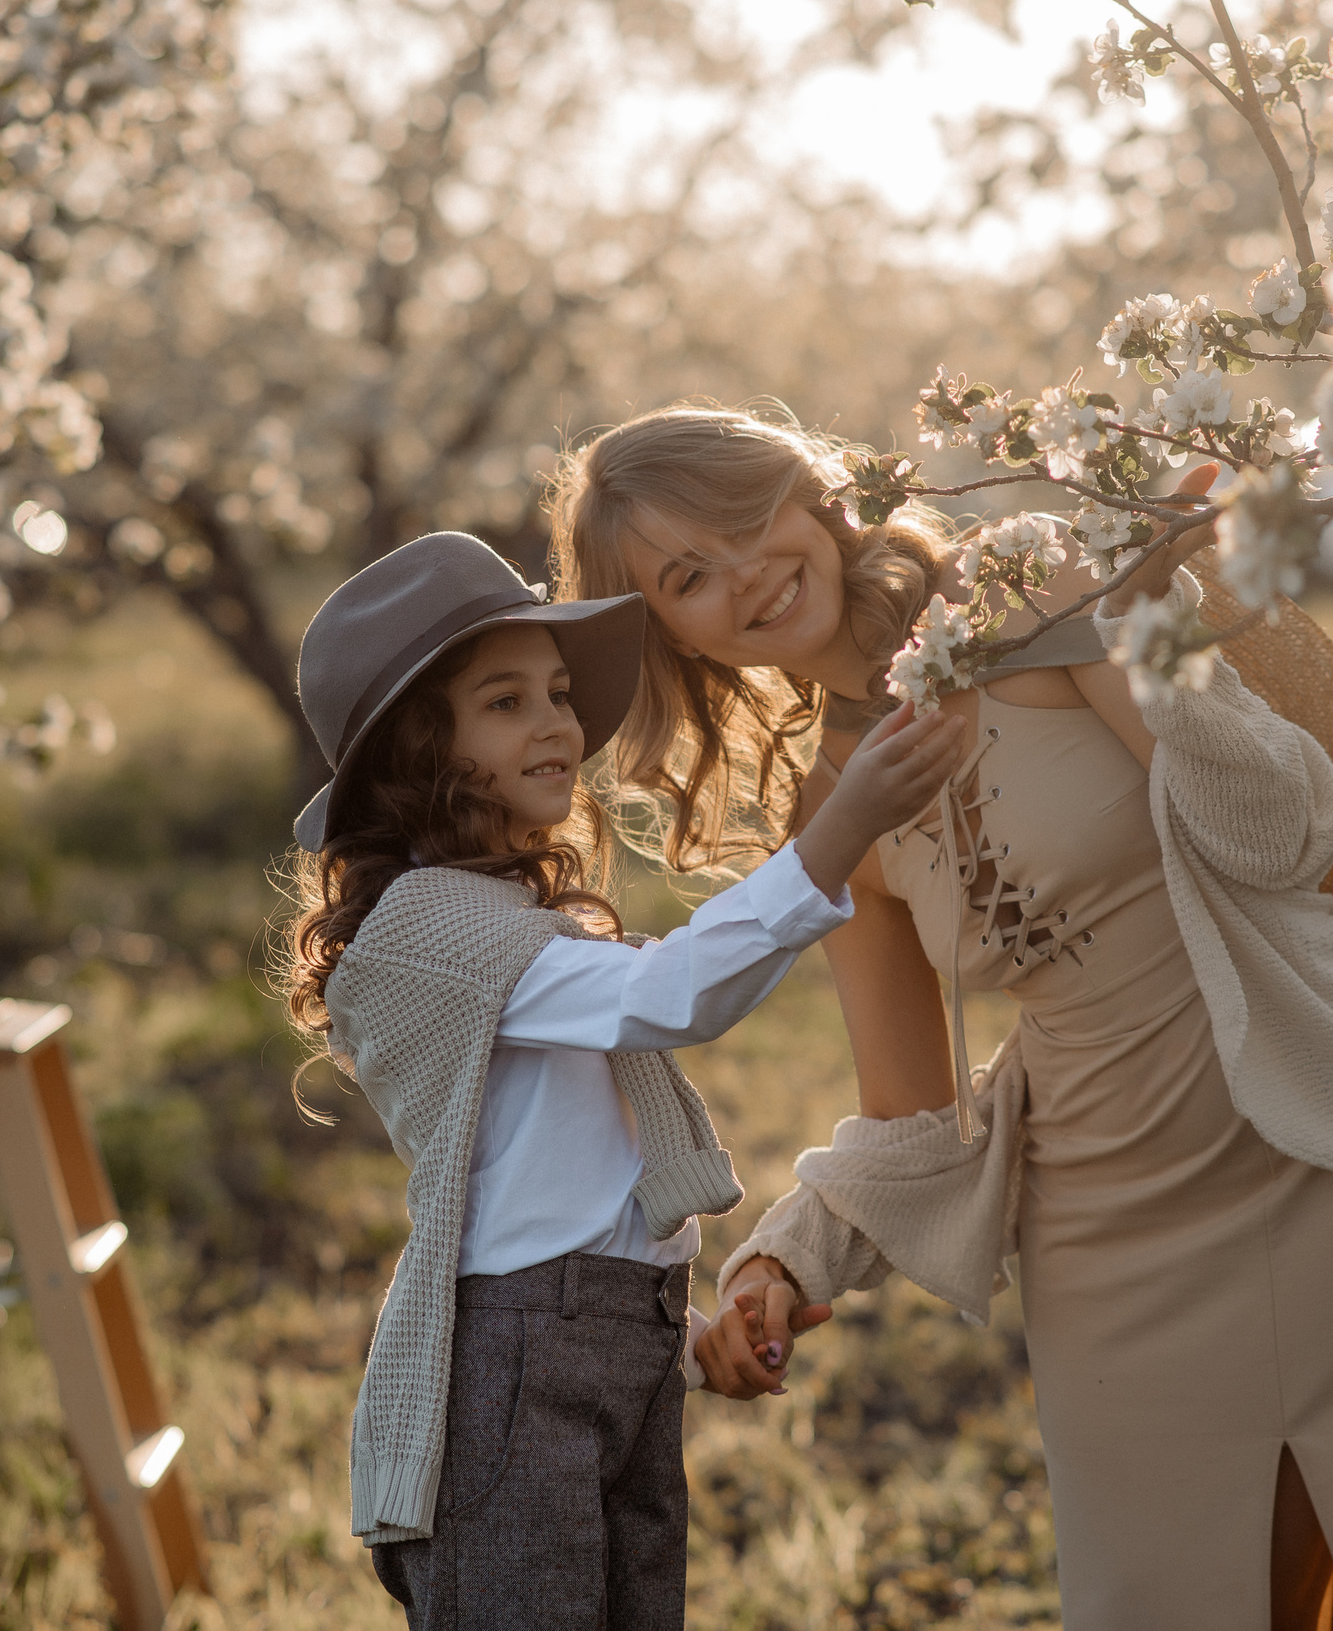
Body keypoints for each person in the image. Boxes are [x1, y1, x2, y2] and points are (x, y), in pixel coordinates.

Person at [547, 406, 1333, 1630]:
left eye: (746, 522)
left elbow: (1280, 836)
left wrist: (1146, 623)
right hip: (1102, 1248)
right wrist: (789, 1256)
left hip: (1321, 1162)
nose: (744, 575)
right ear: (668, 630)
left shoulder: (1030, 586)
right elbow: (910, 1114)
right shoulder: (832, 807)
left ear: (811, 497)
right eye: (687, 576)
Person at [276, 530, 970, 1630]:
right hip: (511, 1377)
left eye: (556, 691)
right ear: (422, 751)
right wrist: (833, 836)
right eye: (504, 702)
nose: (555, 721)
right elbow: (667, 996)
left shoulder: (512, 922)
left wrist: (682, 1336)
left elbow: (561, 1180)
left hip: (602, 1352)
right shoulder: (426, 929)